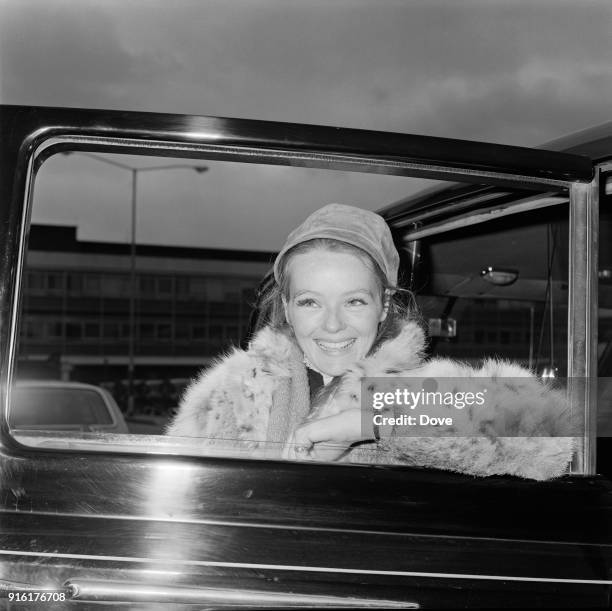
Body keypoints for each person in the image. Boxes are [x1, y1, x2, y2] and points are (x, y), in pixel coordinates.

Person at [166, 204, 574, 480]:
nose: (332, 325)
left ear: (384, 307)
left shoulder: (417, 390)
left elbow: (549, 439)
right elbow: (171, 499)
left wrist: (373, 420)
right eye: (310, 302)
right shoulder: (234, 389)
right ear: (287, 308)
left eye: (355, 301)